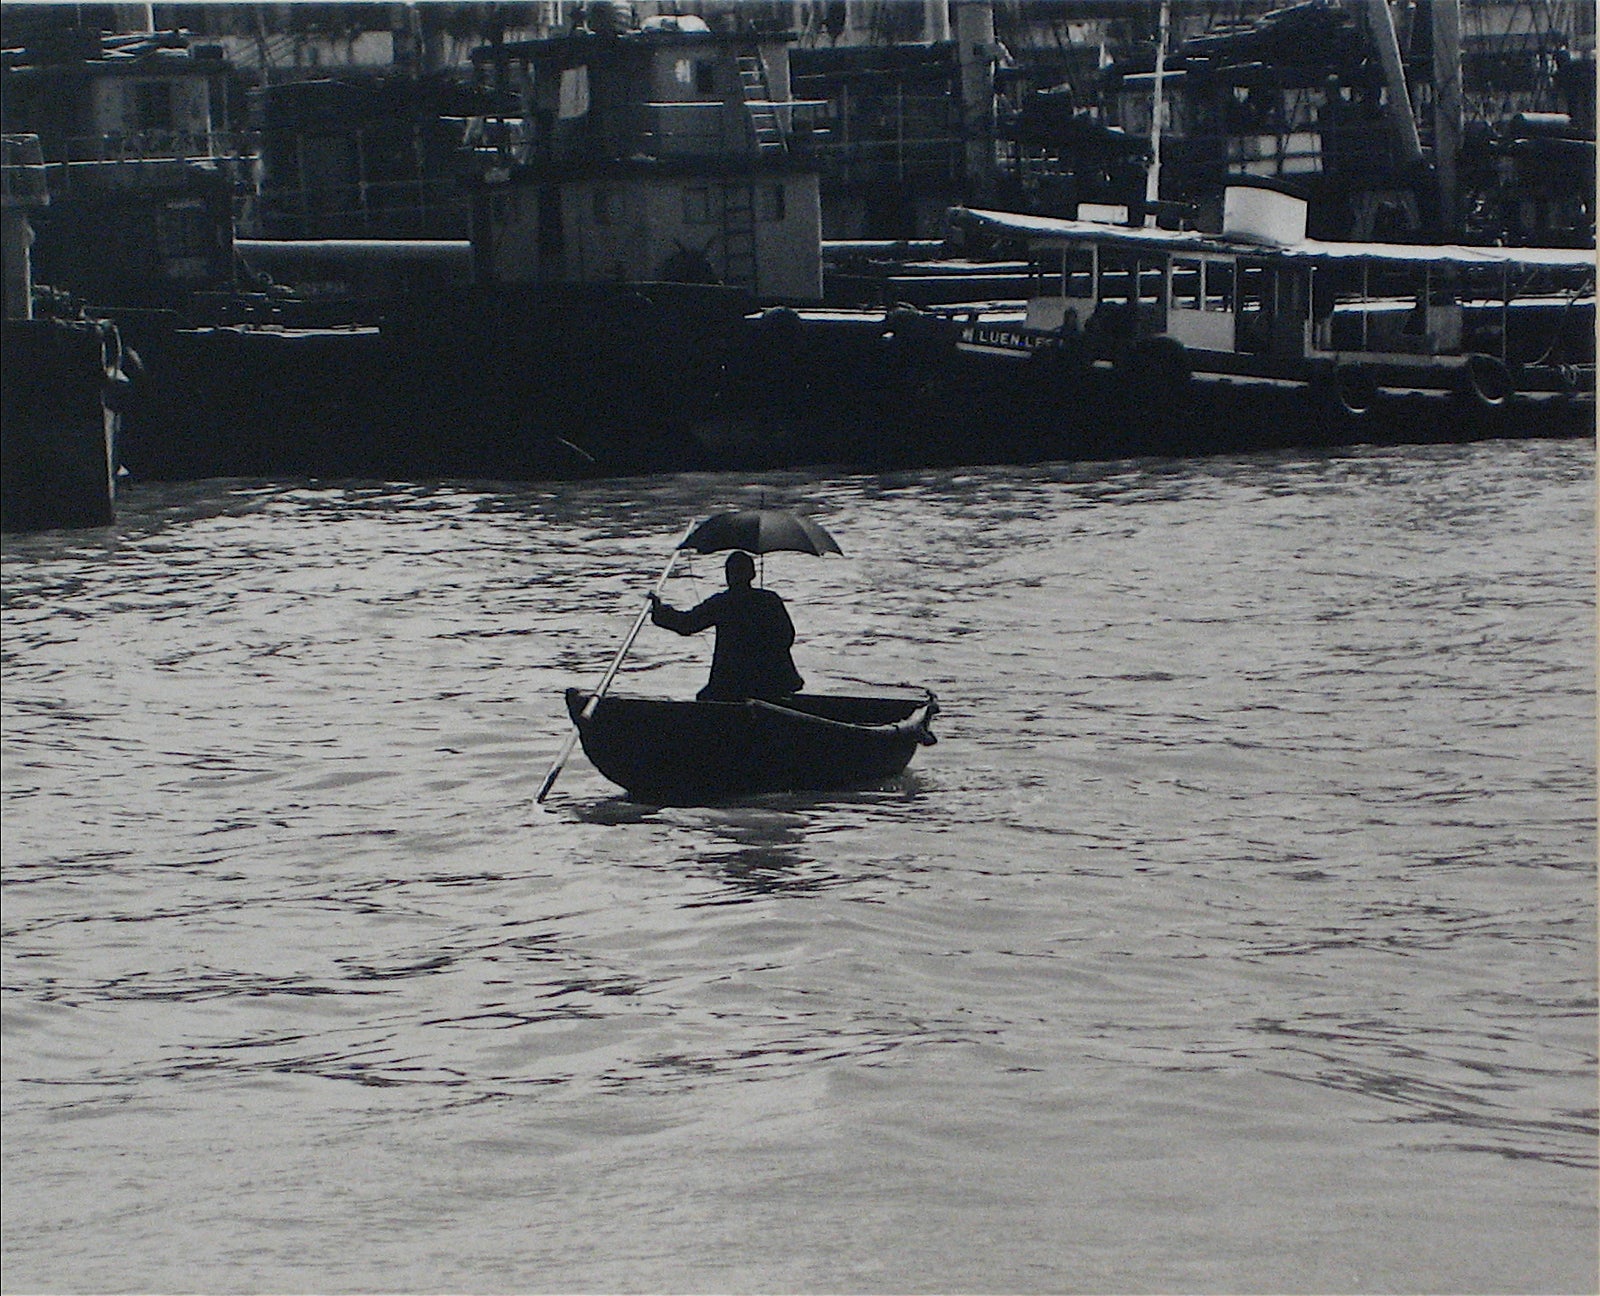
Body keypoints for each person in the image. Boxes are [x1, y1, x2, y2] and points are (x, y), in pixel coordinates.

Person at [649, 550, 804, 702]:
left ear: (728, 577)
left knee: (705, 698)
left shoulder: (722, 603)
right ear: (753, 575)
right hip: (773, 682)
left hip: (731, 685)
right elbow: (787, 636)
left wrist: (659, 610)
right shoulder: (770, 600)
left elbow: (686, 624)